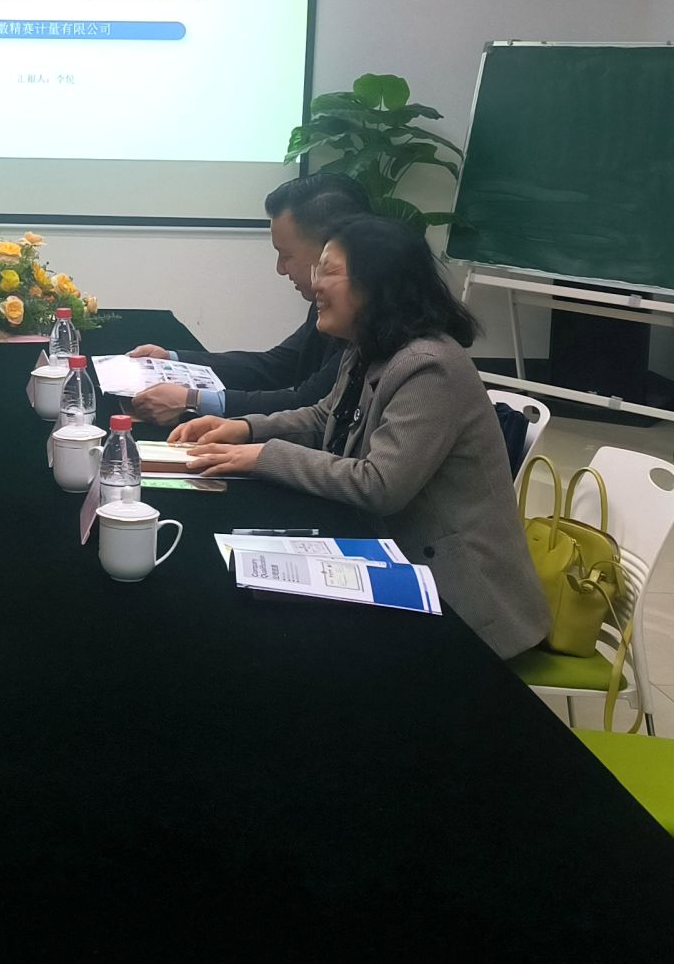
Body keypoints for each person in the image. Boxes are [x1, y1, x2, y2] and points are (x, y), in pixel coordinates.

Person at [175, 213, 550, 660]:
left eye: (328, 271)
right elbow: (325, 418)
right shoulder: (368, 348)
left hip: (462, 606)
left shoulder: (429, 367)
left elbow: (379, 484)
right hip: (393, 561)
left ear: (376, 283)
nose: (315, 285)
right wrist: (246, 428)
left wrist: (262, 456)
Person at [127, 170, 373, 424]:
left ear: (333, 249)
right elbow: (278, 365)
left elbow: (308, 404)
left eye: (286, 256)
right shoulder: (327, 301)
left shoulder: (377, 325)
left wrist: (193, 400)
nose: (280, 269)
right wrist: (172, 361)